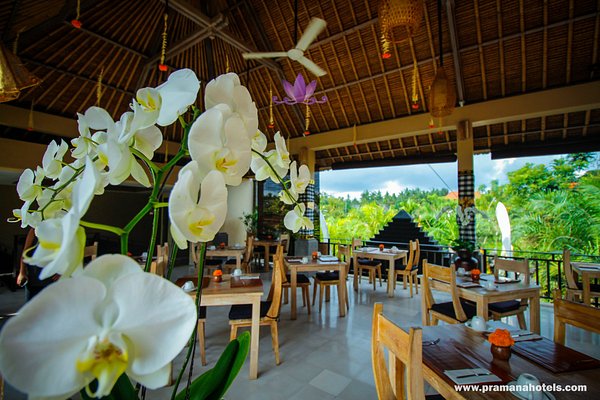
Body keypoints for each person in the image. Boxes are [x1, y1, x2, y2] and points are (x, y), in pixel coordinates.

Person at [16, 229, 54, 301]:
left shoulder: (60, 228)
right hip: (34, 275)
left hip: (51, 276)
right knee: (31, 304)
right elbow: (25, 251)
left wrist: (61, 272)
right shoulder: (34, 230)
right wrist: (22, 272)